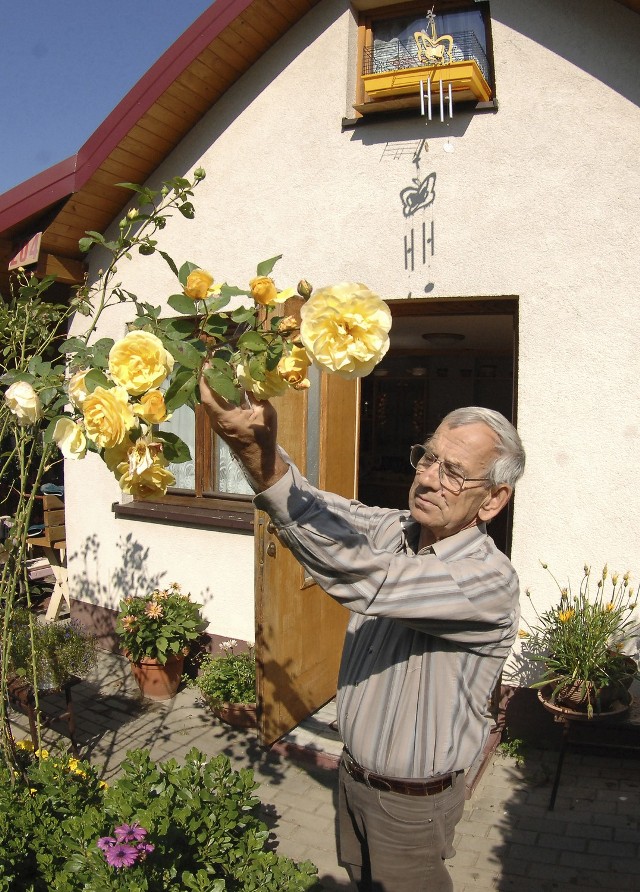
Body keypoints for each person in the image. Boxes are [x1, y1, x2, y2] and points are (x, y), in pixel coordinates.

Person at [199, 379, 525, 892]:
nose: (429, 479)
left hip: (412, 809)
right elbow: (309, 505)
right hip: (352, 780)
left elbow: (365, 580)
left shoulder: (488, 581)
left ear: (493, 500)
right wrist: (257, 451)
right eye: (427, 458)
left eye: (455, 473)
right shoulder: (393, 529)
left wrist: (257, 457)